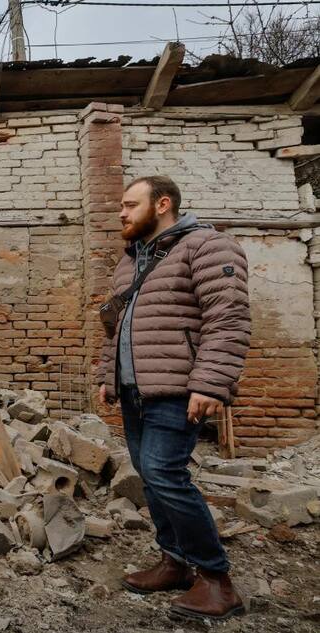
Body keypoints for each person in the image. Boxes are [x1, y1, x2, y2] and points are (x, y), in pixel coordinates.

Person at [96, 176, 250, 621]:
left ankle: (218, 581)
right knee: (149, 474)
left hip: (179, 389)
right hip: (134, 390)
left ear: (162, 204)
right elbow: (114, 329)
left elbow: (228, 318)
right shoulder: (129, 263)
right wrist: (110, 376)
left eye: (129, 205)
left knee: (165, 473)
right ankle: (175, 562)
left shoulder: (207, 247)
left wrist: (210, 383)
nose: (121, 214)